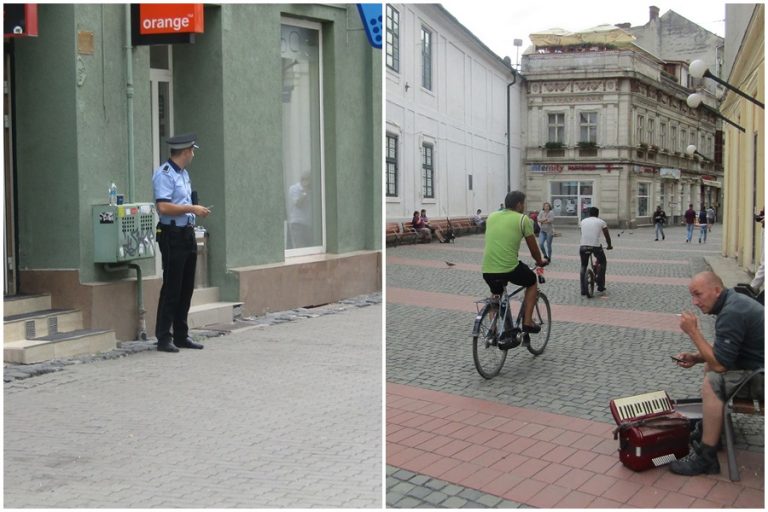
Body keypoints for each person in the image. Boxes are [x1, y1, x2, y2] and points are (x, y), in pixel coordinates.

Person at [670, 271, 764, 476]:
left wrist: (693, 332)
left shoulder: (732, 312)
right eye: (692, 296)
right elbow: (724, 351)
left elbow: (721, 365)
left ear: (717, 290)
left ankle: (706, 459)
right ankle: (710, 431)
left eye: (698, 295)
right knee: (709, 367)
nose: (694, 302)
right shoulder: (733, 302)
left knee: (713, 381)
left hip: (762, 376)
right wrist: (696, 357)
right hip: (758, 368)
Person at [153, 133, 210, 353]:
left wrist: (194, 211)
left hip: (186, 232)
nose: (193, 154)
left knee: (186, 287)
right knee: (172, 287)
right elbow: (163, 207)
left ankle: (181, 334)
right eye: (192, 150)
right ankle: (163, 337)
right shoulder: (165, 174)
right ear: (186, 151)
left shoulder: (183, 174)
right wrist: (192, 208)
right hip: (172, 234)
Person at [482, 191, 548, 338]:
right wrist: (540, 261)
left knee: (496, 293)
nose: (524, 206)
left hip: (487, 268)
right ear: (519, 204)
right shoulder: (523, 219)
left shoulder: (492, 216)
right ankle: (528, 322)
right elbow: (533, 249)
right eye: (524, 203)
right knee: (531, 281)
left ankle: (492, 331)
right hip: (509, 268)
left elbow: (501, 239)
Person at [579, 206, 613, 296]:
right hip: (595, 246)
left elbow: (583, 233)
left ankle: (583, 289)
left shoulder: (583, 221)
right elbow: (607, 235)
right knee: (603, 262)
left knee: (583, 266)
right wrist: (609, 245)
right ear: (597, 214)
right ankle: (600, 285)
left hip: (583, 246)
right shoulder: (601, 222)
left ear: (589, 214)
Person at [287, 173, 313, 249]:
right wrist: (305, 192)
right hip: (297, 223)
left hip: (308, 224)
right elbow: (298, 204)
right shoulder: (294, 188)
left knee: (309, 248)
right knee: (300, 248)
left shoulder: (311, 190)